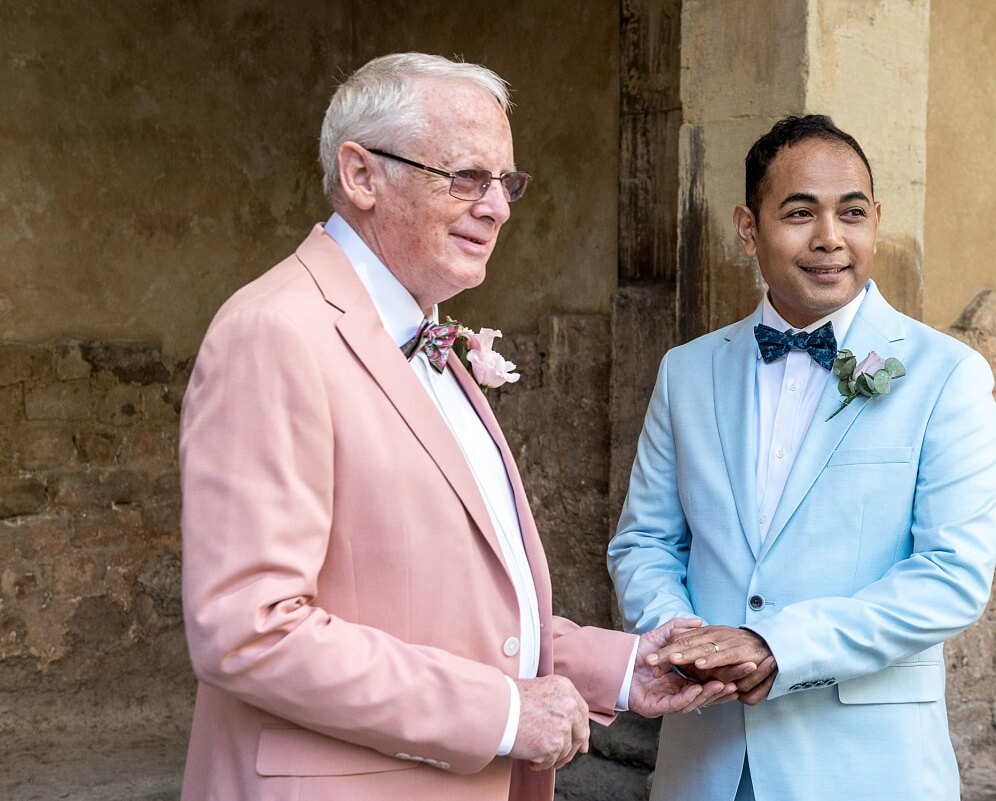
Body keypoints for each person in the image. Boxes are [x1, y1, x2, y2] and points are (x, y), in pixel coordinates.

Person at [178, 52, 730, 801]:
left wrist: (625, 666)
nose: (498, 206)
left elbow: (447, 610)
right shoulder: (276, 332)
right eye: (466, 177)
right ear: (361, 175)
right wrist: (502, 713)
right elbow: (250, 630)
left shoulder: (426, 335)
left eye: (507, 183)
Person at [608, 114, 996, 801]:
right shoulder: (687, 371)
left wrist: (774, 643)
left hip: (864, 767)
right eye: (799, 213)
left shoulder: (947, 374)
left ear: (874, 221)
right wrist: (685, 640)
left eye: (851, 213)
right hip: (704, 757)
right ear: (747, 228)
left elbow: (951, 576)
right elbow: (644, 540)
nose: (829, 237)